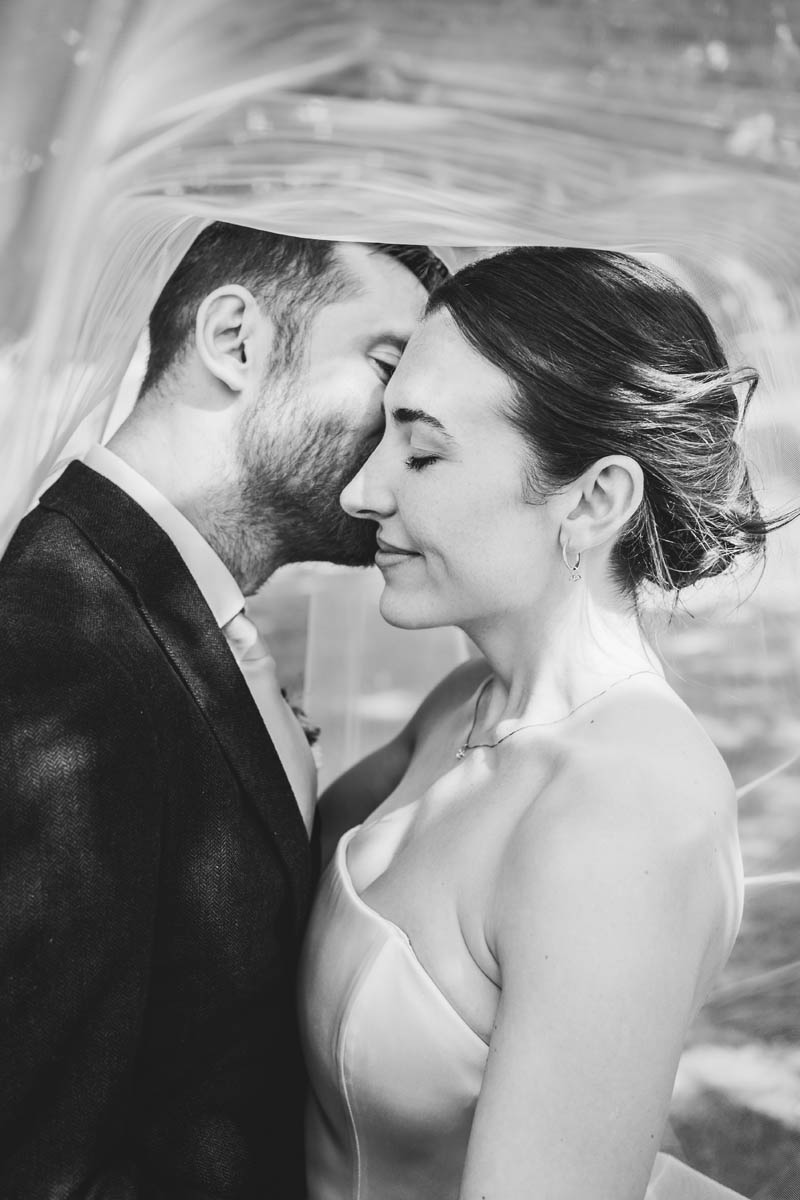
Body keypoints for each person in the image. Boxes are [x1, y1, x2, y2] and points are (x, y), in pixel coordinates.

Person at [298, 247, 777, 1200]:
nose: (361, 491)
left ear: (596, 500)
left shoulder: (627, 820)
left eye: (422, 452)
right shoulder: (463, 705)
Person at [0, 223, 447, 1198]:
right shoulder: (57, 659)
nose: (409, 435)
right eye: (385, 369)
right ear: (235, 340)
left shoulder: (165, 604)